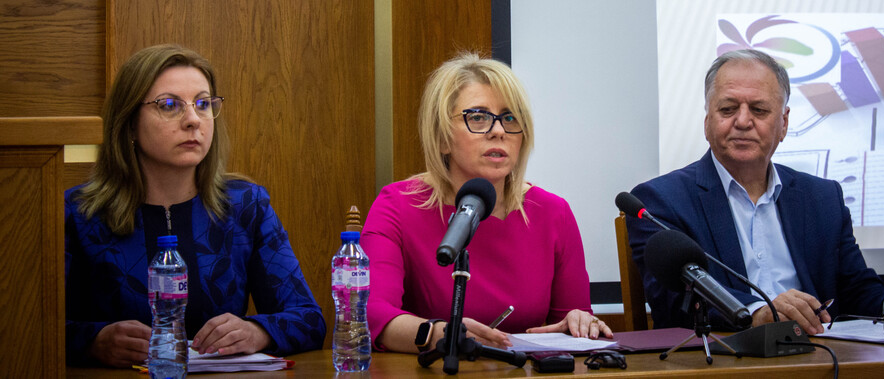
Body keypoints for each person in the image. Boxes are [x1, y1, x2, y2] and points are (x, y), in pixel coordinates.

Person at [627, 49, 884, 335]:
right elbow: (675, 299)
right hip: (722, 362)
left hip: (819, 358)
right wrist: (757, 313)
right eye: (727, 109)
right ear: (708, 120)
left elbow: (854, 289)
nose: (742, 121)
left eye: (759, 110)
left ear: (784, 123)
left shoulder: (823, 198)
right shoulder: (661, 201)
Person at [65, 44, 325, 367]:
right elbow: (30, 332)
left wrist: (257, 331)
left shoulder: (246, 205)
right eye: (169, 105)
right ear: (130, 123)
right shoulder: (79, 214)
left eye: (203, 104)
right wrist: (92, 342)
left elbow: (309, 319)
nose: (193, 120)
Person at [361, 52, 612, 353]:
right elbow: (372, 315)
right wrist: (441, 335)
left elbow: (572, 323)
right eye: (478, 117)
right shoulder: (398, 206)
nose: (499, 131)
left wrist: (579, 322)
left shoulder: (552, 213)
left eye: (510, 118)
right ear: (442, 138)